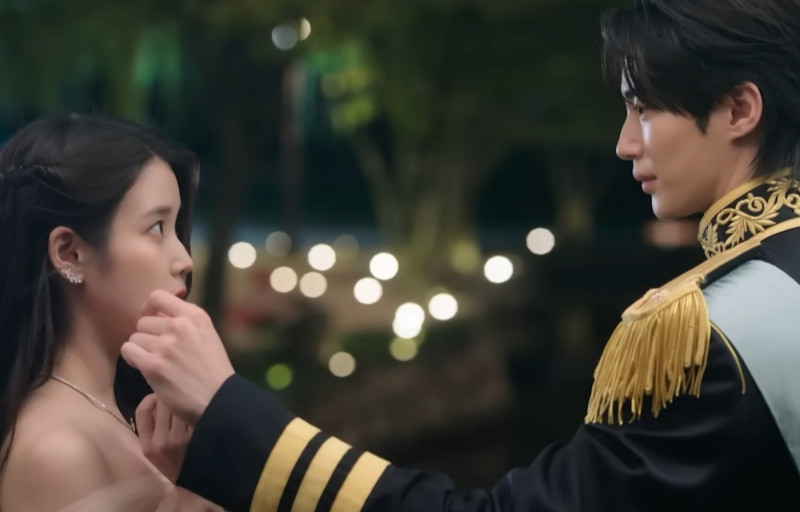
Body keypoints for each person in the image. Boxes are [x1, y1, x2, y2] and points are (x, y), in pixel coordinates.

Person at [123, 0, 800, 510]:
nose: (624, 143)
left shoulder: (712, 338)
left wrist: (232, 414)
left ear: (740, 109)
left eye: (644, 109)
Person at [0, 115, 224, 511]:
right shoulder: (58, 452)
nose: (184, 260)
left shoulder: (134, 412)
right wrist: (193, 487)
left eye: (177, 228)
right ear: (69, 252)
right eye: (157, 228)